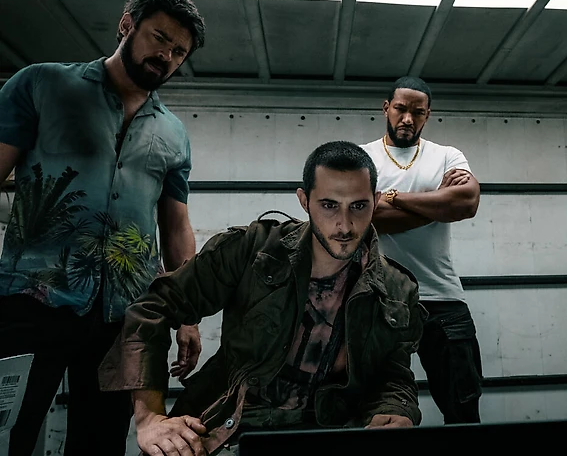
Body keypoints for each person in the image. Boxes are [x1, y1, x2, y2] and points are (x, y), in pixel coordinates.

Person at [98, 141, 425, 456]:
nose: (345, 224)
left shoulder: (396, 289)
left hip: (329, 431)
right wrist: (150, 418)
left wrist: (395, 410)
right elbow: (152, 309)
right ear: (304, 200)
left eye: (358, 206)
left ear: (376, 201)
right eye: (329, 205)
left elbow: (393, 375)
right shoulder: (253, 249)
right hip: (228, 425)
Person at [0, 0, 206, 456]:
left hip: (124, 319)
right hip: (32, 299)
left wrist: (188, 316)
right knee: (9, 433)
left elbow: (176, 228)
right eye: (159, 38)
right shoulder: (42, 84)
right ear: (126, 25)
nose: (166, 56)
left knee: (101, 444)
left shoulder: (174, 133)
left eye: (178, 52)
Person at [361, 77, 482, 424]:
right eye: (400, 109)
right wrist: (437, 203)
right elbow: (366, 218)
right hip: (376, 298)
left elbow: (466, 203)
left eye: (417, 112)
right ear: (386, 108)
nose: (407, 119)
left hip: (442, 297)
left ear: (428, 115)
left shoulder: (448, 155)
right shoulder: (362, 158)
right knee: (377, 409)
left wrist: (392, 197)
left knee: (463, 410)